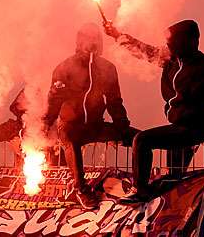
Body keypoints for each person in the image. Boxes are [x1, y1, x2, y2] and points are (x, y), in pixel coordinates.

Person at [104, 19, 204, 203]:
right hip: (177, 126)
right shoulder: (171, 59)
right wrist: (117, 35)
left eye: (172, 42)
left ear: (187, 42)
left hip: (194, 129)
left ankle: (142, 192)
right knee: (174, 177)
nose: (167, 46)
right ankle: (169, 211)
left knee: (142, 140)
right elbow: (144, 51)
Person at [42, 23, 139, 209]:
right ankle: (81, 190)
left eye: (95, 39)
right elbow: (53, 101)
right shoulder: (64, 68)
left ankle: (141, 186)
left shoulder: (107, 68)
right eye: (87, 39)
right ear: (79, 42)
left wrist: (122, 126)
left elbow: (114, 101)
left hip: (96, 125)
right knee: (70, 138)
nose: (91, 43)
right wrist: (46, 125)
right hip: (71, 125)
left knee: (140, 139)